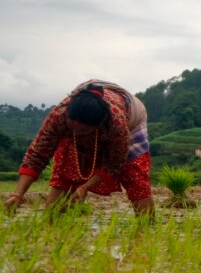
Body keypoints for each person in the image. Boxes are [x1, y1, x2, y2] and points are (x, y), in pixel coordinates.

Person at [4, 80, 153, 217]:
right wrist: (18, 194)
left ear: (97, 126)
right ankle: (52, 225)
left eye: (82, 130)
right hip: (83, 123)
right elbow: (37, 154)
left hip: (132, 120)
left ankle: (146, 229)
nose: (76, 132)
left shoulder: (116, 124)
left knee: (135, 176)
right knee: (66, 168)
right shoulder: (59, 115)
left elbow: (115, 164)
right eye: (72, 127)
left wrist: (85, 187)